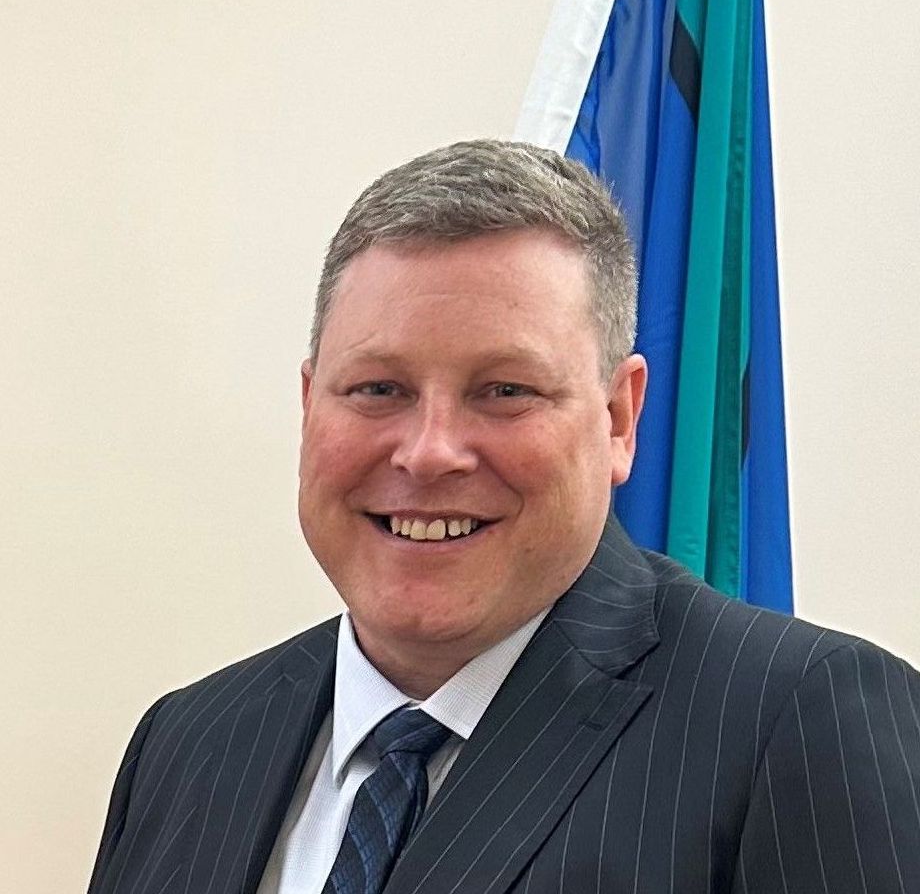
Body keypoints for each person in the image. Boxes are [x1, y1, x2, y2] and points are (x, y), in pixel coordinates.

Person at [88, 140, 920, 894]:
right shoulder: (187, 742)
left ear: (618, 419)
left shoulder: (800, 719)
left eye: (505, 392)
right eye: (379, 389)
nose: (430, 452)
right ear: (310, 407)